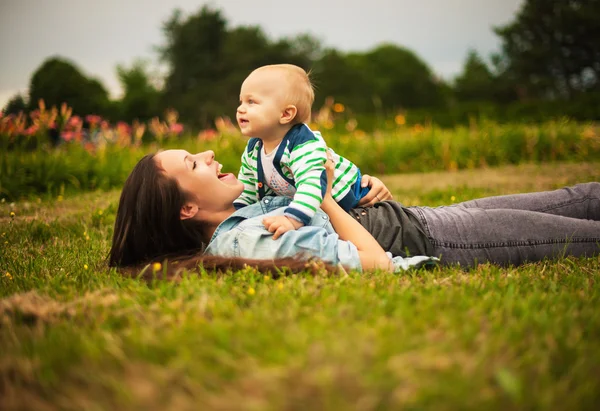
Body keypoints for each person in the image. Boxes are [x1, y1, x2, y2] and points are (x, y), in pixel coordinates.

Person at [108, 149, 600, 275]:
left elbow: (329, 211)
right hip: (435, 241)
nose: (210, 157)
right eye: (193, 164)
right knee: (581, 231)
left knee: (580, 196)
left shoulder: (244, 209)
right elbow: (372, 264)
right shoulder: (246, 239)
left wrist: (354, 189)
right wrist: (319, 196)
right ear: (187, 208)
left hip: (423, 218)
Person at [235, 64, 371, 240]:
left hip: (351, 200)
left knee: (371, 227)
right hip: (313, 206)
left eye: (251, 101)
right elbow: (247, 189)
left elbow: (311, 184)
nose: (241, 109)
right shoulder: (254, 148)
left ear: (285, 114)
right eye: (241, 101)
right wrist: (235, 217)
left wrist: (291, 220)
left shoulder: (303, 143)